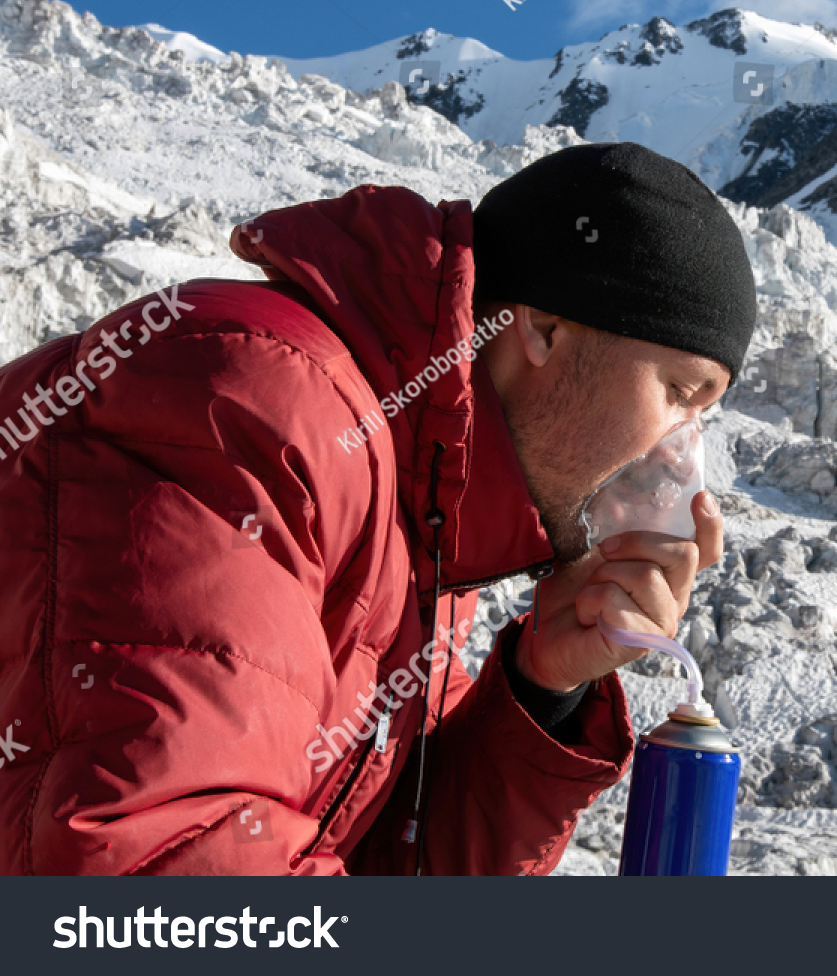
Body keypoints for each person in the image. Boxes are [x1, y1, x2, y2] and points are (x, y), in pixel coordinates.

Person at [0, 142, 757, 875]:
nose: (677, 455)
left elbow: (392, 864)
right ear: (542, 328)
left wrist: (540, 689)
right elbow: (157, 872)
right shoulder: (253, 411)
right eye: (680, 393)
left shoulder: (423, 514)